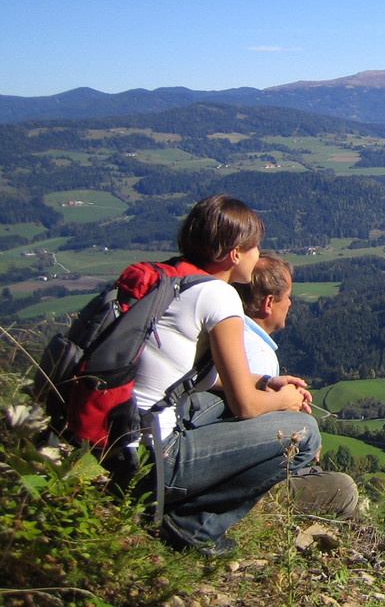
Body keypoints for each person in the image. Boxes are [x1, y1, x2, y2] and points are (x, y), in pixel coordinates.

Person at [132, 194, 321, 556]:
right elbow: (246, 407)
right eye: (254, 247)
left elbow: (199, 379)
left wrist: (265, 381)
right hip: (156, 459)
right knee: (304, 432)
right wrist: (285, 400)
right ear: (235, 253)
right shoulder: (219, 297)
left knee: (216, 403)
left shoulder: (171, 279)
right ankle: (191, 525)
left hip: (119, 443)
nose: (257, 255)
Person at [229, 252, 360, 518]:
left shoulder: (228, 335)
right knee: (343, 489)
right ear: (268, 303)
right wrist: (300, 438)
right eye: (287, 296)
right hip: (242, 484)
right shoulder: (258, 355)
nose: (289, 303)